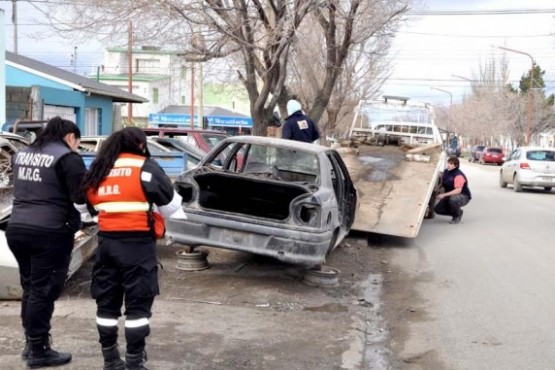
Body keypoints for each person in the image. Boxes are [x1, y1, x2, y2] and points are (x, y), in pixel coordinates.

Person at [82, 127, 183, 370]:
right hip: (138, 247)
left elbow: (87, 210)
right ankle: (135, 361)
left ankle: (110, 359)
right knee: (138, 304)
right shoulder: (145, 167)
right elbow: (172, 207)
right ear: (139, 144)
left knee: (106, 304)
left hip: (106, 246)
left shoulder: (99, 170)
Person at [6, 116, 85, 368]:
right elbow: (80, 196)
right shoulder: (67, 158)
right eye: (78, 143)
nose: (77, 148)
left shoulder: (22, 154)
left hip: (17, 227)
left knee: (31, 288)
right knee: (44, 290)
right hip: (49, 231)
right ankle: (39, 350)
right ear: (71, 137)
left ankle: (32, 345)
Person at [434, 156, 472, 224]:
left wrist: (443, 195)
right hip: (450, 195)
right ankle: (458, 212)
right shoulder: (446, 171)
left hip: (463, 195)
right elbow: (443, 183)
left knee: (453, 200)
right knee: (438, 210)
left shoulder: (458, 175)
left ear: (456, 165)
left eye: (451, 164)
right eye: (448, 163)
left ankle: (456, 216)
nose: (448, 165)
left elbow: (458, 190)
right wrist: (438, 188)